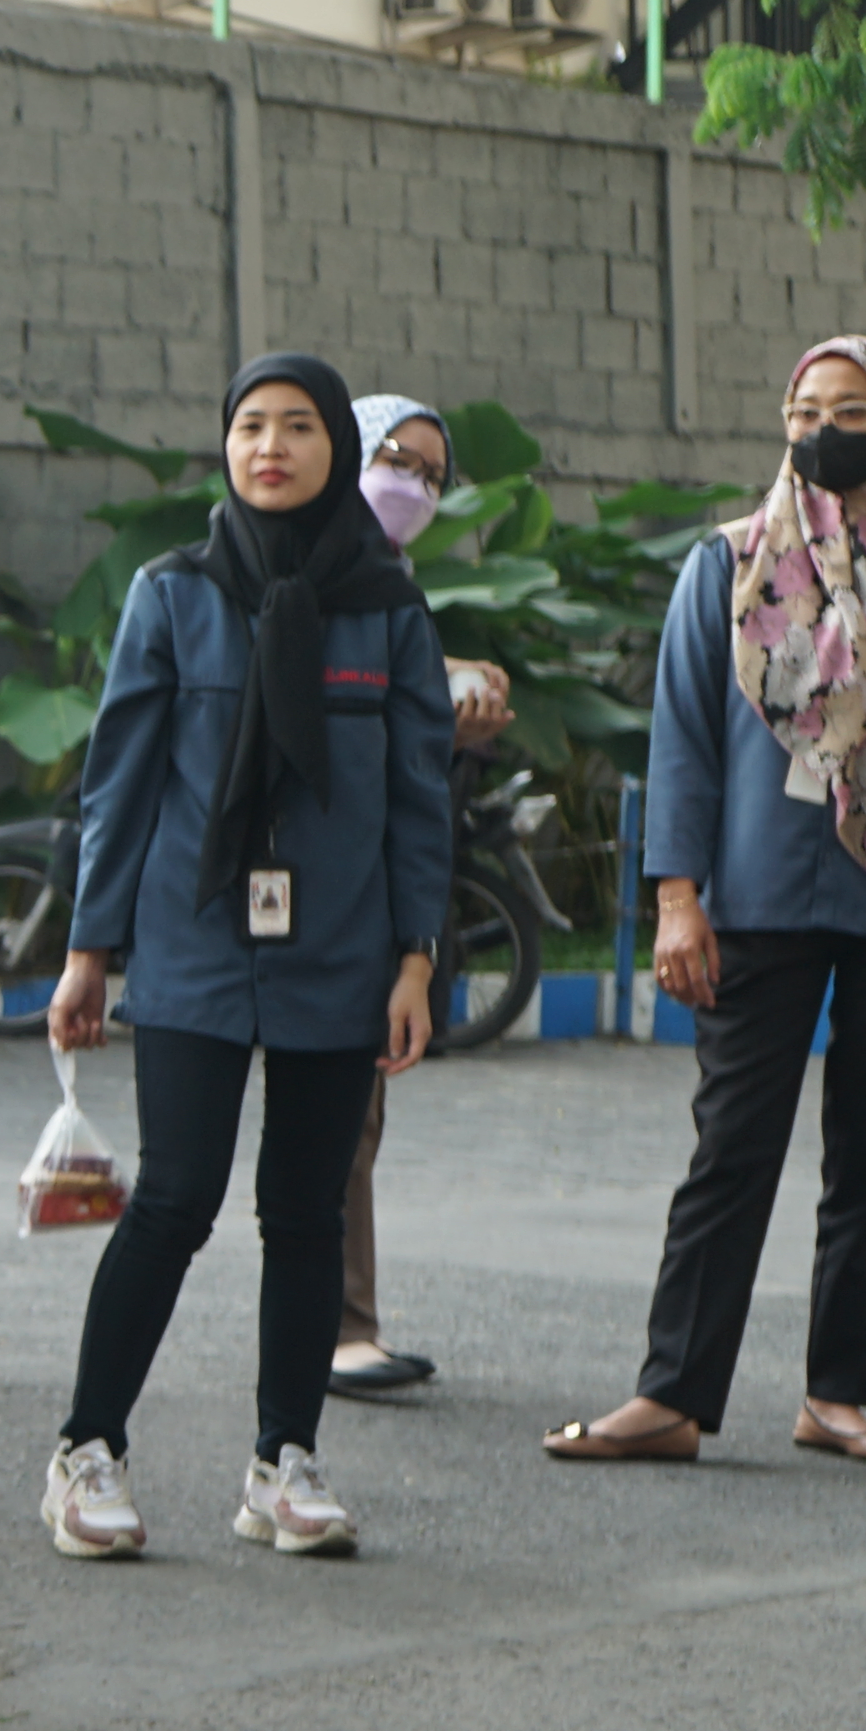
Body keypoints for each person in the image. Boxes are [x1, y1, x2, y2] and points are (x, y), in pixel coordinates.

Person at [546, 337, 866, 1468]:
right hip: (760, 890)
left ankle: (841, 1392)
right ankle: (671, 1393)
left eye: (851, 407)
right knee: (733, 1143)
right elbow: (684, 741)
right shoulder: (730, 567)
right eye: (804, 407)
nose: (823, 427)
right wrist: (676, 897)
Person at [45, 354, 449, 1563]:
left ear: (338, 448)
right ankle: (86, 1453)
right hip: (194, 938)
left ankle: (284, 1462)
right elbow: (117, 785)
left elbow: (421, 796)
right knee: (174, 1198)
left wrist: (417, 960)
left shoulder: (388, 608)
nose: (270, 447)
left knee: (305, 1213)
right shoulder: (172, 592)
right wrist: (87, 952)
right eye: (250, 427)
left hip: (341, 948)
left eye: (299, 427)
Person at [323, 391, 519, 1403]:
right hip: (289, 887)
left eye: (434, 475)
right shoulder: (296, 560)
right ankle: (328, 1327)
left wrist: (454, 698)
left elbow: (395, 720)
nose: (415, 485)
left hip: (371, 883)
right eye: (398, 457)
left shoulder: (388, 579)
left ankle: (341, 1327)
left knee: (350, 1109)